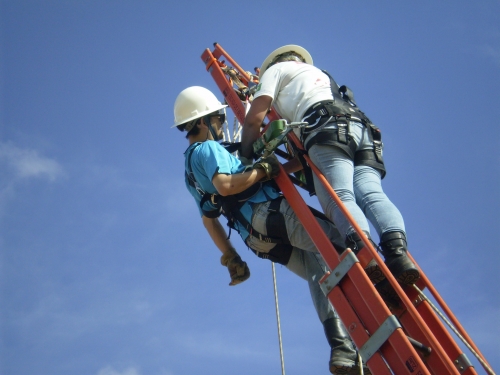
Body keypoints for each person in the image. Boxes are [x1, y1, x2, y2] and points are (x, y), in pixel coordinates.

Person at [173, 85, 371, 375]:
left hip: (257, 239)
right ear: (203, 121)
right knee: (340, 243)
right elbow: (228, 186)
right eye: (218, 119)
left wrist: (232, 257)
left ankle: (342, 347)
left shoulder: (190, 171)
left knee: (321, 272)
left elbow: (209, 219)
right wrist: (265, 170)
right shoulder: (208, 149)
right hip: (268, 214)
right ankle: (379, 294)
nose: (221, 125)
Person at [241, 45, 420, 288]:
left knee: (338, 196)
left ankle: (367, 257)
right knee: (371, 194)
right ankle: (399, 256)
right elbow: (310, 157)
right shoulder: (321, 75)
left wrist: (245, 156)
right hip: (361, 131)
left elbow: (254, 119)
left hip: (325, 128)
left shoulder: (278, 71)